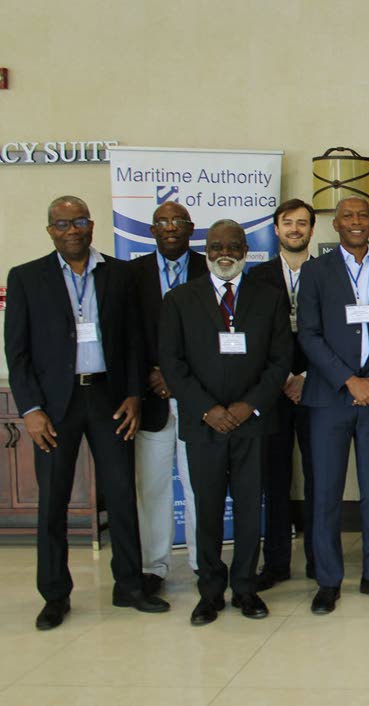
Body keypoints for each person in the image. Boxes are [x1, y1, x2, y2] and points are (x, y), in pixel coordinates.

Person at [6, 195, 168, 630]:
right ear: (50, 230)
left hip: (109, 399)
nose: (72, 230)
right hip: (55, 406)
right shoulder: (26, 278)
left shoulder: (119, 275)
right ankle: (55, 595)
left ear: (92, 225)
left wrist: (135, 395)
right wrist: (32, 410)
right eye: (62, 223)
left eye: (79, 221)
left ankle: (130, 585)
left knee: (120, 494)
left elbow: (135, 342)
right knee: (53, 502)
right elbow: (16, 353)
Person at [159, 220, 292, 625]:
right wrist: (207, 409)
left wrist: (248, 406)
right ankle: (210, 591)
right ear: (206, 250)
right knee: (208, 508)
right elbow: (172, 363)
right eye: (216, 246)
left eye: (233, 245)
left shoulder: (268, 299)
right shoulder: (181, 299)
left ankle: (246, 588)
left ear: (246, 249)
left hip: (251, 422)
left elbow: (280, 360)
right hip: (204, 425)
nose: (224, 253)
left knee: (251, 508)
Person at [297, 196, 369, 615]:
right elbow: (308, 335)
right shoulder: (314, 272)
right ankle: (328, 580)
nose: (357, 222)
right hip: (330, 398)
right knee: (326, 492)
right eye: (348, 216)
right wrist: (349, 380)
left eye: (364, 215)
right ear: (335, 224)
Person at [129, 200, 206, 594]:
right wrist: (152, 375)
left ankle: (201, 565)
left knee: (199, 484)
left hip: (196, 397)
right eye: (162, 222)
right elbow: (125, 336)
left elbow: (214, 337)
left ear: (191, 228)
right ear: (152, 230)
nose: (170, 227)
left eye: (178, 221)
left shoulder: (208, 268)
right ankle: (153, 567)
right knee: (154, 486)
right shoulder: (132, 274)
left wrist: (179, 377)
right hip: (152, 397)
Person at [246, 198, 316, 590]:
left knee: (318, 475)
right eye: (287, 223)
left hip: (316, 388)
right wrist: (284, 376)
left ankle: (319, 560)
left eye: (302, 223)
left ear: (311, 230)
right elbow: (254, 338)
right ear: (275, 229)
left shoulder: (327, 273)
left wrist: (305, 374)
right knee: (273, 478)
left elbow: (335, 332)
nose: (294, 229)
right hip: (272, 392)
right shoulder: (257, 278)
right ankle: (275, 564)